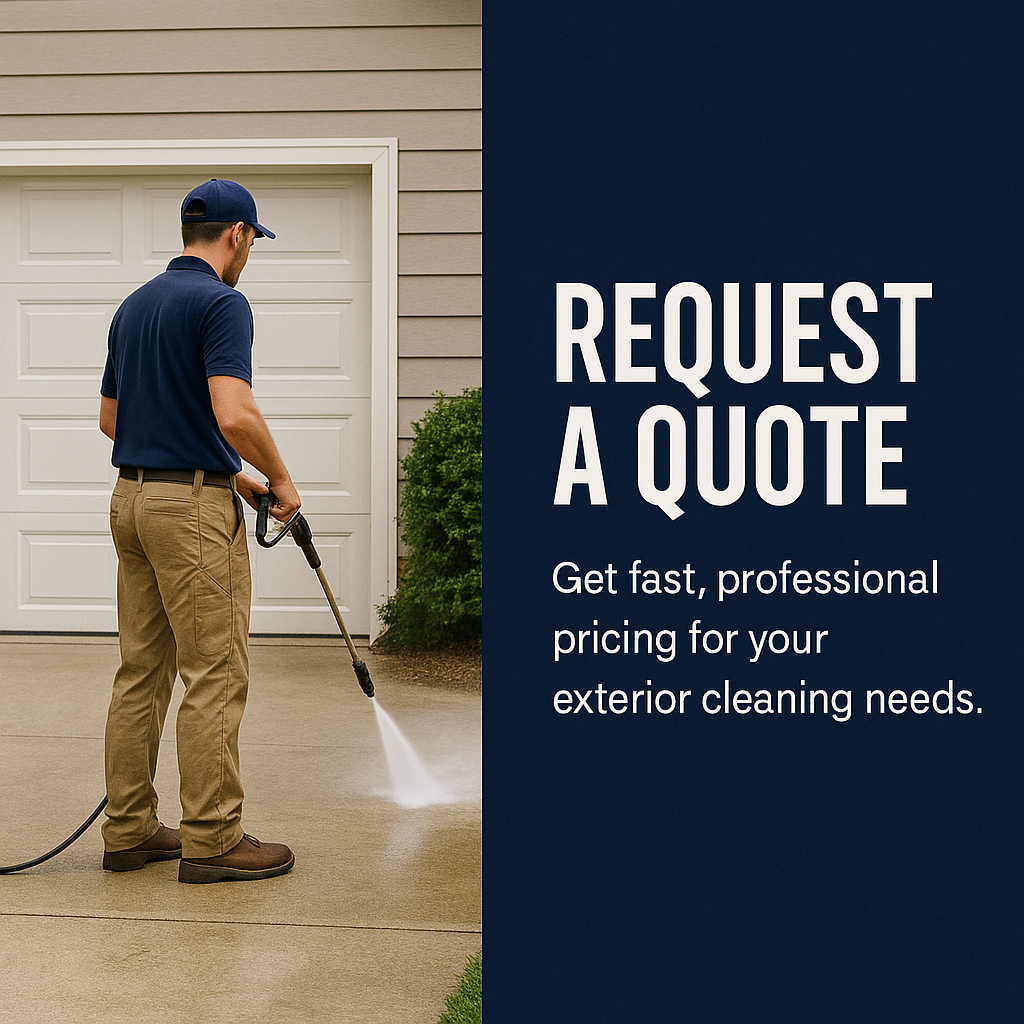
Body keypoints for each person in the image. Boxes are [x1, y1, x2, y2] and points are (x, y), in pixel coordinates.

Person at [98, 179, 300, 883]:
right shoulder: (222, 302)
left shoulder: (134, 306)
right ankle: (212, 839)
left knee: (140, 672)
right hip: (186, 516)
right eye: (251, 243)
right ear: (237, 234)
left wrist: (224, 476)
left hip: (131, 500)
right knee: (213, 671)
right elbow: (234, 414)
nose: (249, 256)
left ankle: (126, 831)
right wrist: (279, 479)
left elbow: (113, 422)